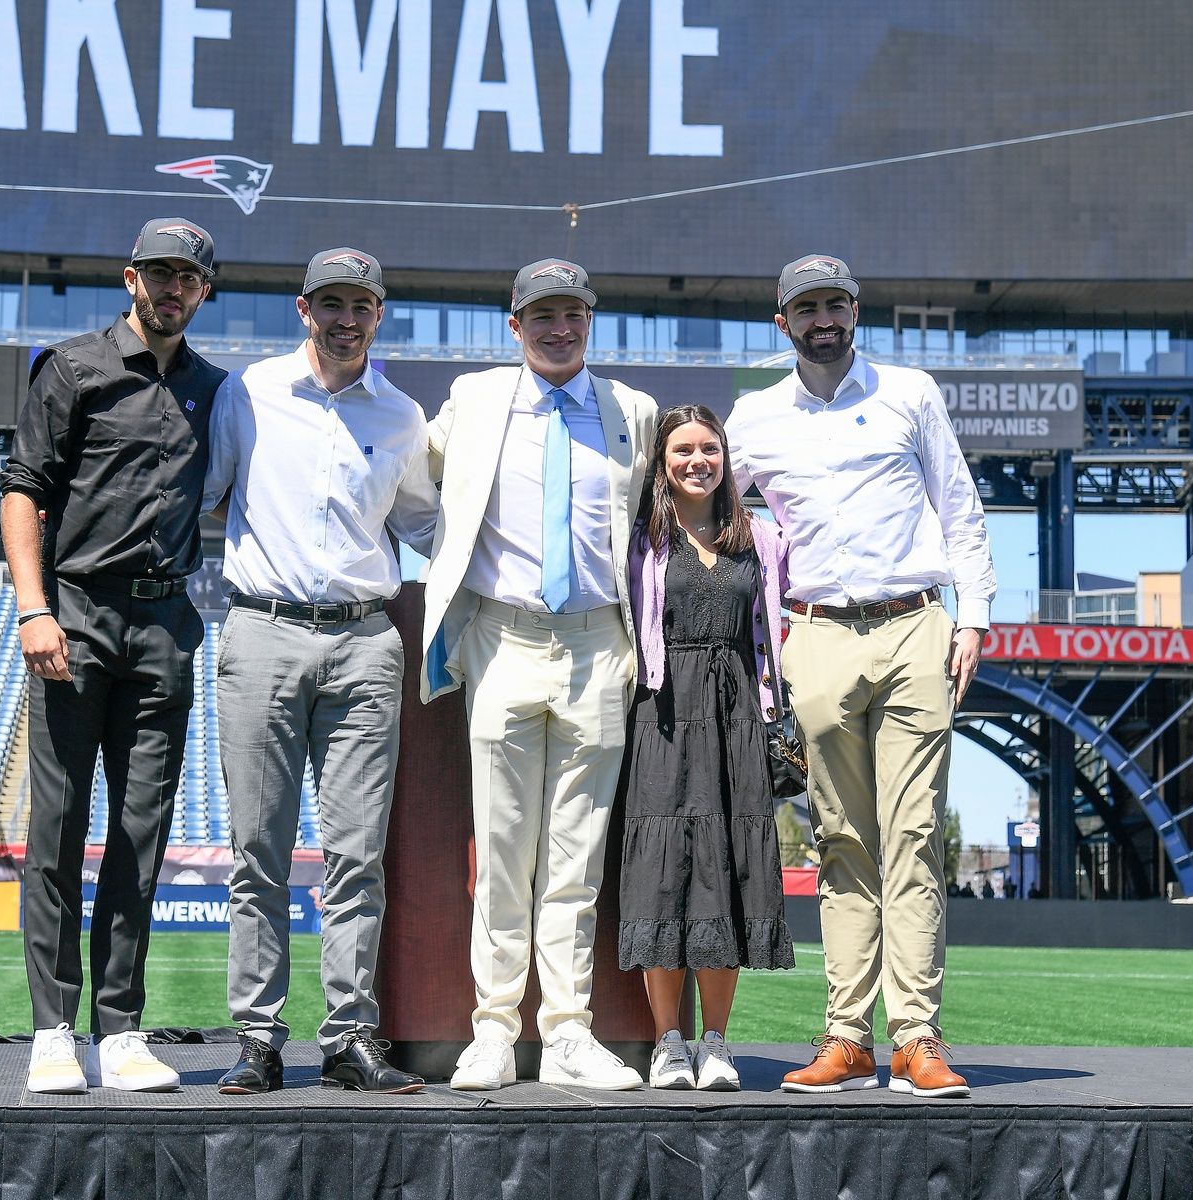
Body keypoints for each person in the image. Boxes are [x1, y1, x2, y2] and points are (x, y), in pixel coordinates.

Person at [726, 253, 995, 1100]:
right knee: (843, 843)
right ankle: (848, 1037)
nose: (824, 319)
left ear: (855, 308)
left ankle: (917, 1037)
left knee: (912, 840)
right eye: (806, 307)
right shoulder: (754, 416)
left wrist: (976, 616)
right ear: (784, 323)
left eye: (836, 303)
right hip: (817, 639)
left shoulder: (910, 391)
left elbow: (959, 507)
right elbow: (702, 504)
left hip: (917, 625)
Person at [0, 217, 226, 1094]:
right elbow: (24, 491)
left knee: (140, 840)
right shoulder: (73, 368)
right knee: (55, 833)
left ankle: (120, 1032)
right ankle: (53, 1030)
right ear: (131, 278)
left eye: (190, 280)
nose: (174, 290)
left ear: (205, 292)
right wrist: (33, 609)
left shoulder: (215, 389)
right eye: (161, 274)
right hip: (76, 617)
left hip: (165, 628)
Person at [420, 259, 658, 1091]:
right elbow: (414, 481)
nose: (561, 329)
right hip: (502, 638)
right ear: (514, 327)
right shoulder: (476, 399)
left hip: (599, 643)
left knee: (575, 862)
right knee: (502, 850)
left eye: (574, 315)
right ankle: (492, 1030)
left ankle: (565, 1034)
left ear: (590, 321)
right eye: (542, 317)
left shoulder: (633, 411)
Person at [207, 248, 438, 1096]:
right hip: (262, 631)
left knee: (356, 857)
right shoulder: (249, 393)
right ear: (305, 309)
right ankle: (259, 1040)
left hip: (365, 640)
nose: (347, 318)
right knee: (257, 854)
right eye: (332, 302)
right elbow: (203, 493)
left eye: (363, 305)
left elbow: (425, 526)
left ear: (380, 315)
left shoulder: (403, 414)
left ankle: (348, 1039)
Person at [619, 404, 795, 1092]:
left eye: (709, 448)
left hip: (738, 719)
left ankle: (715, 1044)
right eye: (683, 449)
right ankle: (668, 1043)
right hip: (661, 713)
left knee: (725, 869)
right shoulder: (641, 542)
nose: (698, 460)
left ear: (727, 457)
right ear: (661, 462)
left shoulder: (763, 539)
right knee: (662, 874)